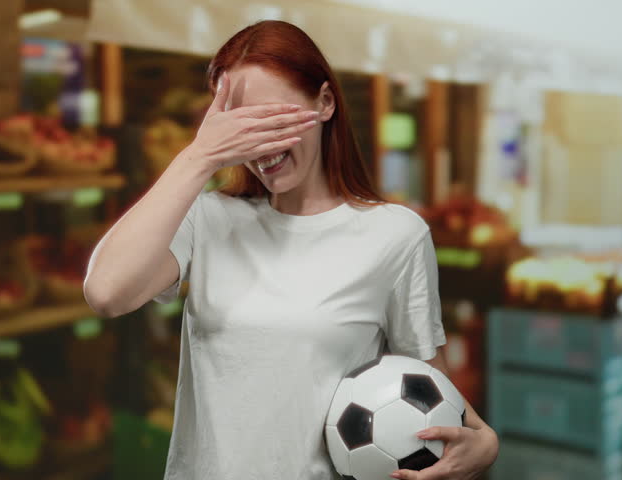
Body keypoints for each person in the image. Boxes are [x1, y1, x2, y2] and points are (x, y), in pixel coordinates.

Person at [84, 20, 499, 480]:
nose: (261, 144)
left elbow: (427, 392)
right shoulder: (209, 219)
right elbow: (106, 292)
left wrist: (484, 442)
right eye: (243, 126)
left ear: (325, 102)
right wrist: (198, 157)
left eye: (274, 119)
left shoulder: (395, 235)